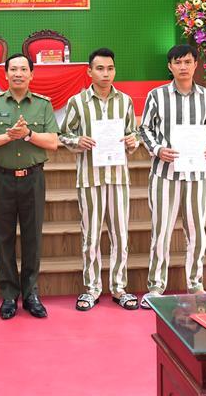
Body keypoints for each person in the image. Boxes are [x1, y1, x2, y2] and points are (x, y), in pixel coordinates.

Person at [0, 53, 59, 320]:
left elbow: (53, 142)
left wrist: (29, 135)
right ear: (6, 74)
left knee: (33, 237)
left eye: (24, 69)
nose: (18, 73)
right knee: (4, 238)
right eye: (13, 69)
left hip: (33, 178)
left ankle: (31, 293)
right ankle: (9, 295)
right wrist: (7, 136)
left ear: (32, 74)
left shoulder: (43, 105)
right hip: (2, 179)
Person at [138, 45, 206, 308]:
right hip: (165, 174)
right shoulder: (157, 95)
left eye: (187, 62)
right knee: (161, 231)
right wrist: (158, 149)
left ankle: (195, 283)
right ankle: (155, 286)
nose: (183, 67)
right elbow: (145, 128)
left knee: (197, 231)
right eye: (177, 62)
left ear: (196, 64)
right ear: (170, 66)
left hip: (196, 174)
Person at [59, 47, 141, 312]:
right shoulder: (77, 102)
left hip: (118, 177)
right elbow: (64, 135)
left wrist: (132, 141)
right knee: (91, 236)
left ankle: (119, 288)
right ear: (89, 71)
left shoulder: (125, 101)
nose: (106, 74)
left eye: (110, 68)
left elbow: (134, 133)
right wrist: (77, 141)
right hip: (90, 178)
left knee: (120, 234)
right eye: (100, 69)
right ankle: (92, 288)